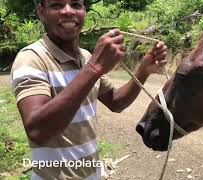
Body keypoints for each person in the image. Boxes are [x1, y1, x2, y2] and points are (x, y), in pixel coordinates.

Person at [10, 0, 167, 179]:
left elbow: (116, 101)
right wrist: (94, 68)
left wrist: (143, 70)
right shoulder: (31, 59)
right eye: (56, 5)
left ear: (84, 11)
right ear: (41, 12)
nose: (68, 11)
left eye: (76, 4)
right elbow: (38, 131)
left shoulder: (85, 57)